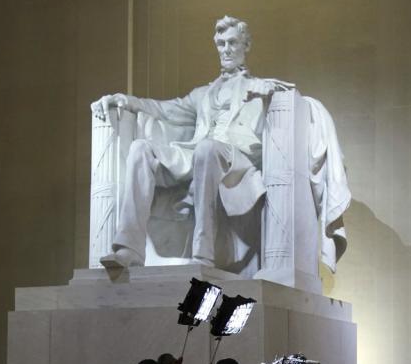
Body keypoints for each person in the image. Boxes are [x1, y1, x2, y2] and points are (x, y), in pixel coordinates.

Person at [92, 16, 292, 269]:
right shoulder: (202, 94)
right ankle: (129, 248)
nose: (226, 50)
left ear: (246, 46)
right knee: (141, 148)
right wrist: (126, 100)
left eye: (232, 42)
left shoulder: (261, 87)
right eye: (221, 44)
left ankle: (203, 252)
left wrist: (269, 95)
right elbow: (164, 109)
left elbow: (288, 110)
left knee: (208, 149)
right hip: (199, 154)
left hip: (236, 162)